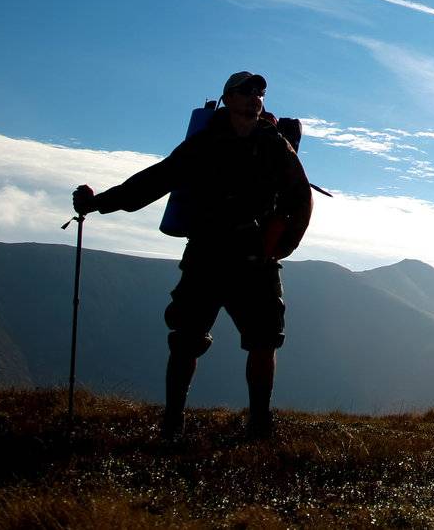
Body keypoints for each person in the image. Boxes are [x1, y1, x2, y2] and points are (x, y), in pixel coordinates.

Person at [73, 71, 311, 440]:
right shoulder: (206, 145)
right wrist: (99, 203)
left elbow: (299, 199)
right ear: (228, 99)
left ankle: (256, 425)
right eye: (245, 91)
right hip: (213, 254)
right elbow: (152, 182)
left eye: (260, 92)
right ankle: (175, 422)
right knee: (190, 338)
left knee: (261, 340)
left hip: (246, 258)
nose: (254, 97)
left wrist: (280, 248)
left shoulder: (274, 146)